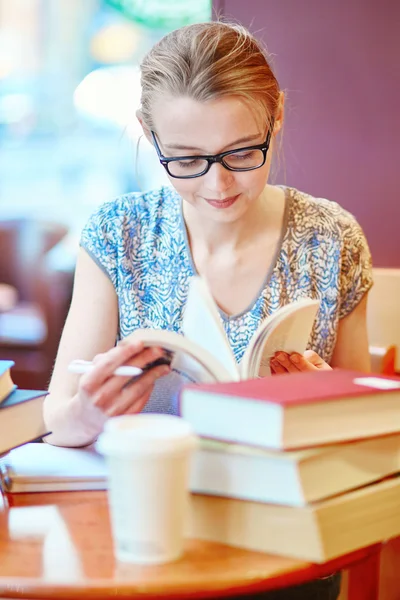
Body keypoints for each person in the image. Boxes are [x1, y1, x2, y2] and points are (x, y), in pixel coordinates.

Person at [44, 21, 372, 599]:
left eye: (242, 152)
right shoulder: (118, 234)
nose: (218, 183)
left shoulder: (332, 237)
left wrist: (329, 403)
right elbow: (58, 417)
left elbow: (366, 429)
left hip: (288, 551)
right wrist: (91, 414)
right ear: (150, 136)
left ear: (276, 119)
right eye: (186, 160)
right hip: (151, 539)